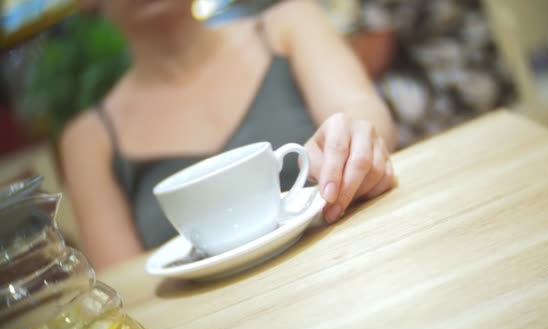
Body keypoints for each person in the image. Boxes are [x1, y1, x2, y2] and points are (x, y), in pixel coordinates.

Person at [61, 0, 397, 270]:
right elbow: (127, 284)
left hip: (348, 266)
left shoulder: (287, 25)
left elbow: (361, 109)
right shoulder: (89, 139)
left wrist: (355, 139)